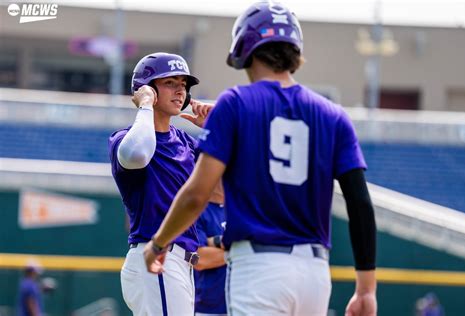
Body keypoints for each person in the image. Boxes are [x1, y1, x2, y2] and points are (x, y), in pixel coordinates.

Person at [144, 2, 377, 316]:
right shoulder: (333, 114)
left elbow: (198, 193)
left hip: (259, 269)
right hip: (314, 274)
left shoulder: (236, 103)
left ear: (243, 48)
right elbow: (360, 203)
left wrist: (159, 244)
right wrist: (366, 289)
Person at [108, 52, 213, 315]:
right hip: (156, 257)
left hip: (182, 262)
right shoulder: (125, 140)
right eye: (170, 83)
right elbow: (138, 154)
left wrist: (215, 129)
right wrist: (144, 105)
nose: (181, 91)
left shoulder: (186, 142)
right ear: (148, 90)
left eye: (184, 85)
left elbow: (235, 175)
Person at [193, 181, 227, 316]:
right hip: (208, 308)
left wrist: (214, 242)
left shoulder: (239, 208)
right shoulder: (195, 210)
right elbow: (198, 259)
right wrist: (239, 251)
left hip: (243, 301)